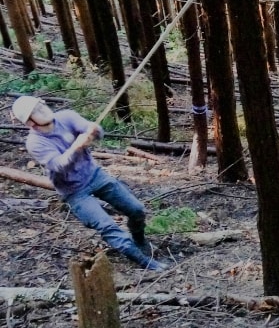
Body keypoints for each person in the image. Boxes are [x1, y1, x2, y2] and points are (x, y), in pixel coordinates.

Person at [11, 95, 167, 272]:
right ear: (30, 122)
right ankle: (145, 262)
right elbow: (59, 166)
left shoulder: (66, 116)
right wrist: (76, 147)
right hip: (74, 191)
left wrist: (94, 130)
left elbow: (98, 132)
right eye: (36, 111)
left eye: (41, 105)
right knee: (107, 226)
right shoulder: (35, 142)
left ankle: (139, 240)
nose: (43, 109)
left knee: (136, 209)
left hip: (94, 175)